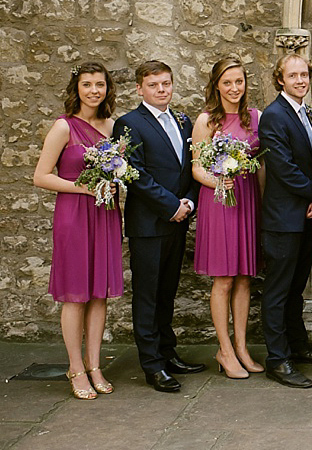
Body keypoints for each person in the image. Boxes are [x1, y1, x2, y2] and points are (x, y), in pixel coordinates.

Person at [33, 63, 124, 400]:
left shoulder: (113, 127)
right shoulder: (63, 127)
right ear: (77, 88)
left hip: (104, 215)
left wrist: (114, 184)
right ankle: (75, 366)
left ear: (107, 89)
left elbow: (117, 170)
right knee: (76, 295)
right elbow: (41, 176)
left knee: (99, 293)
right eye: (87, 85)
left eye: (99, 85)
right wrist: (83, 188)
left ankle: (95, 364)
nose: (94, 91)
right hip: (74, 214)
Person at [115, 60, 205, 393]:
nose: (162, 90)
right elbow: (133, 173)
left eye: (166, 83)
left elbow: (194, 166)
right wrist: (170, 206)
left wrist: (189, 203)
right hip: (149, 225)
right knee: (148, 295)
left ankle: (168, 353)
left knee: (167, 292)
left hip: (179, 220)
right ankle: (152, 365)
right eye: (154, 85)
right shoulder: (129, 124)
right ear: (140, 88)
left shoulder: (183, 121)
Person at [259, 52, 312, 389]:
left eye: (304, 74)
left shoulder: (307, 113)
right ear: (280, 80)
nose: (300, 80)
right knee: (277, 291)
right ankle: (278, 358)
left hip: (304, 216)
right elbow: (284, 168)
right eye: (293, 76)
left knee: (296, 289)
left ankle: (298, 345)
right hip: (283, 218)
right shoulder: (274, 116)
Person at [192, 57, 264, 380]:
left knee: (245, 276)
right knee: (223, 278)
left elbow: (260, 164)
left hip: (246, 199)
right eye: (228, 83)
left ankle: (242, 346)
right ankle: (223, 348)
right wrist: (219, 181)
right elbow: (196, 168)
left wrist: (260, 203)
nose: (235, 89)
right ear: (216, 86)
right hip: (219, 200)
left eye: (239, 82)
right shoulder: (206, 121)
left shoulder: (254, 118)